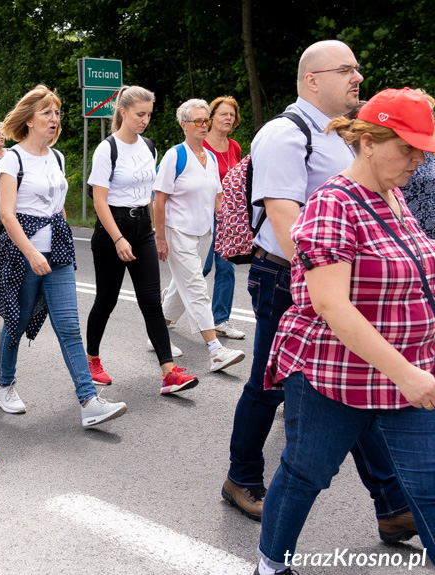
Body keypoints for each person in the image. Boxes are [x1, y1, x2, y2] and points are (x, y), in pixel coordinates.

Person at [223, 41, 415, 548]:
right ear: (312, 79)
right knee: (271, 383)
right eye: (345, 70)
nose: (357, 77)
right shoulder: (286, 134)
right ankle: (241, 477)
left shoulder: (345, 137)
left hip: (335, 283)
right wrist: (325, 294)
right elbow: (286, 217)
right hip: (291, 279)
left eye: (357, 69)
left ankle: (392, 504)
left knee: (354, 386)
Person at [253, 87, 435, 575]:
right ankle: (271, 566)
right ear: (369, 143)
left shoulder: (393, 195)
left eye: (423, 149)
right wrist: (409, 375)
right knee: (305, 472)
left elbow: (413, 281)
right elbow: (331, 304)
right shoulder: (334, 203)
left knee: (430, 485)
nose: (418, 159)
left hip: (405, 372)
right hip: (336, 373)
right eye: (407, 148)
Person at [0, 84, 128, 427]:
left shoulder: (57, 158)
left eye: (57, 113)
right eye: (47, 113)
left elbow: (57, 210)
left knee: (70, 327)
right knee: (17, 322)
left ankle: (89, 402)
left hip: (56, 252)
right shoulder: (12, 159)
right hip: (24, 254)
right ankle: (5, 386)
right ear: (29, 119)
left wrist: (58, 248)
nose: (54, 119)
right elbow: (7, 215)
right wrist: (31, 254)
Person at [84, 85, 199, 395]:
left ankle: (169, 372)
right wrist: (119, 238)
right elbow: (99, 201)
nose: (145, 120)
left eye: (149, 114)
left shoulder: (149, 146)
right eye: (139, 114)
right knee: (106, 301)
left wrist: (154, 233)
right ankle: (91, 360)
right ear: (123, 113)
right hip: (112, 230)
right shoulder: (107, 149)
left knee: (150, 301)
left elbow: (149, 194)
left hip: (142, 228)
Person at [153, 99, 246, 373]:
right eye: (198, 121)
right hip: (178, 231)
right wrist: (160, 237)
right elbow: (159, 200)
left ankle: (156, 332)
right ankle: (216, 350)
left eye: (206, 120)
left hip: (204, 232)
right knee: (195, 285)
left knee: (181, 289)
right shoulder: (174, 156)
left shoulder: (212, 157)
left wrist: (230, 224)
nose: (204, 125)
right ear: (184, 125)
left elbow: (217, 198)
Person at [202, 96, 245, 340]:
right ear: (211, 118)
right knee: (203, 267)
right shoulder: (200, 145)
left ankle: (221, 320)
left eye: (231, 115)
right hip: (205, 214)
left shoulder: (235, 147)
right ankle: (173, 299)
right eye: (223, 114)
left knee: (227, 268)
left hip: (228, 216)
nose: (228, 118)